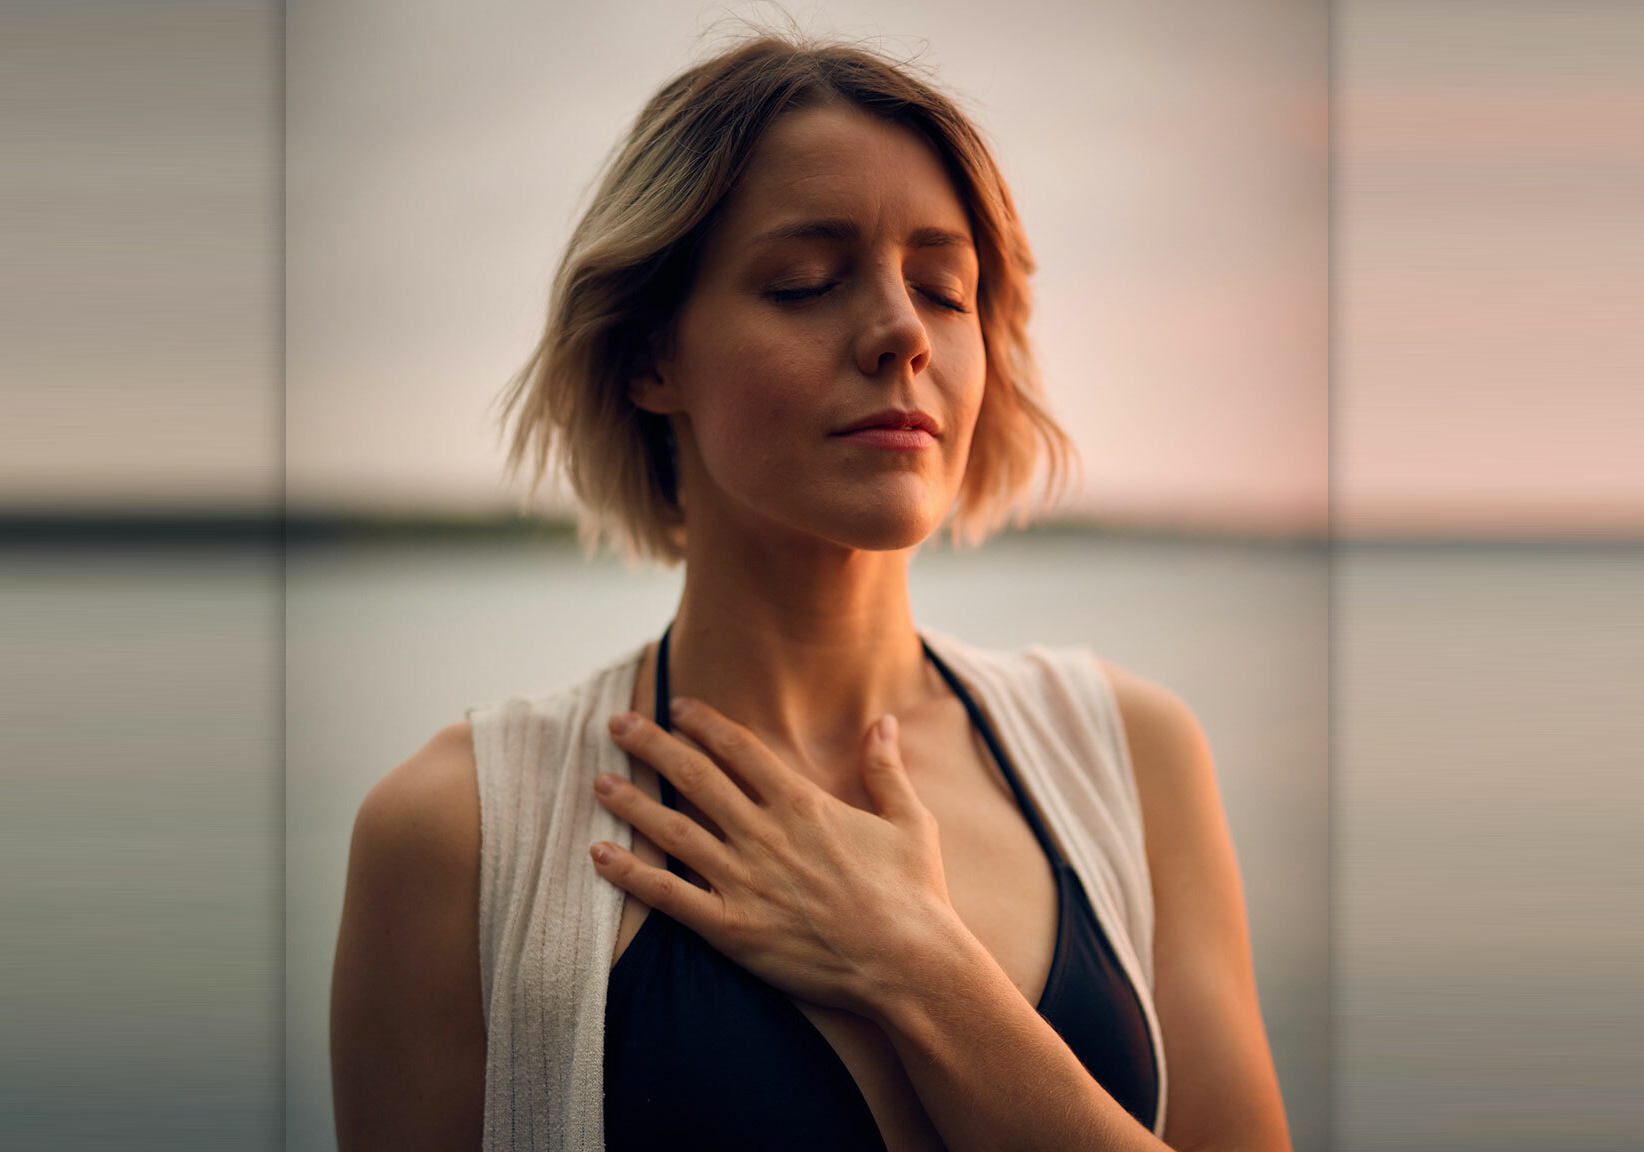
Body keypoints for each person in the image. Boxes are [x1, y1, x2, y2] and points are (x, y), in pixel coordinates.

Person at [331, 32, 1291, 1152]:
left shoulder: (1130, 758)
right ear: (652, 360)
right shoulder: (460, 832)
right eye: (804, 284)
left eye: (942, 288)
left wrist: (920, 968)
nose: (898, 334)